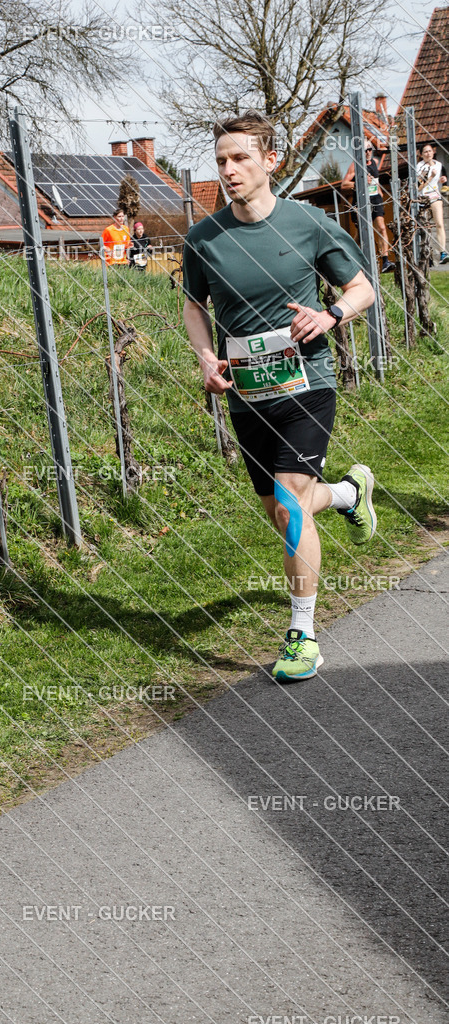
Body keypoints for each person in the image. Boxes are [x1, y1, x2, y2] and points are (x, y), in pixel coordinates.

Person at [183, 110, 377, 682]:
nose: (229, 169)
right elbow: (195, 307)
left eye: (240, 157)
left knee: (291, 505)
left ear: (272, 160)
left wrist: (331, 315)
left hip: (307, 384)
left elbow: (362, 286)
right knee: (280, 511)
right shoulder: (203, 238)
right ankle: (346, 493)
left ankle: (303, 635)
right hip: (247, 397)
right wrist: (204, 358)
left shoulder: (307, 224)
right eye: (221, 160)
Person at [343, 142, 394, 273]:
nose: (368, 152)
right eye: (365, 150)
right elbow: (344, 185)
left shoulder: (375, 162)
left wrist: (380, 193)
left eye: (370, 149)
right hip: (361, 200)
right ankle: (351, 259)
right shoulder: (355, 165)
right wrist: (359, 182)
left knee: (382, 228)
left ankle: (385, 261)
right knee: (361, 234)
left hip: (375, 198)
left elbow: (375, 180)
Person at [417, 142, 448, 264]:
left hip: (435, 196)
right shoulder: (419, 167)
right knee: (425, 228)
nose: (428, 153)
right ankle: (427, 254)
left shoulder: (439, 165)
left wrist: (441, 180)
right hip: (423, 199)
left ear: (433, 152)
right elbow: (418, 187)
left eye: (430, 151)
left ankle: (443, 252)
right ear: (421, 154)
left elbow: (437, 182)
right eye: (425, 151)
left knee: (439, 224)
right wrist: (430, 177)